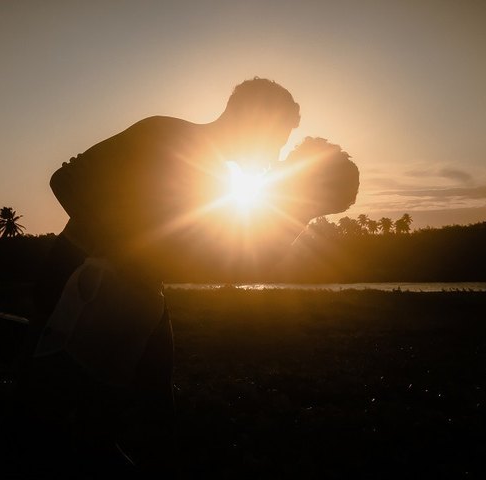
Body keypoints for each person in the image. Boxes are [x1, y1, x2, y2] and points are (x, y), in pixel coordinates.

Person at [17, 78, 300, 475]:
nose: (276, 153)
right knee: (59, 414)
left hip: (141, 295)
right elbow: (64, 180)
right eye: (277, 139)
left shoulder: (219, 181)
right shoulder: (161, 133)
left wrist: (302, 213)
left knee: (153, 408)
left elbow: (223, 259)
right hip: (77, 284)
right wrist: (118, 246)